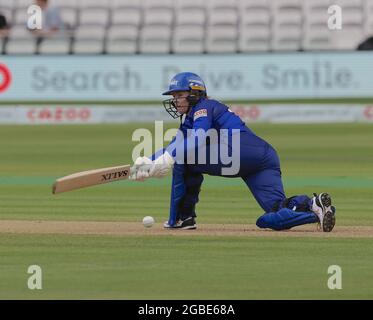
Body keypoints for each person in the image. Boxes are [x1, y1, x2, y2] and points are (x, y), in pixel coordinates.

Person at [129, 72, 336, 232]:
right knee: (271, 216)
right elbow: (177, 144)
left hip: (236, 150)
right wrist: (149, 160)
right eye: (174, 97)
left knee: (183, 160)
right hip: (263, 156)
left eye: (180, 96)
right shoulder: (192, 118)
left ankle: (182, 219)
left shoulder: (204, 107)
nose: (176, 101)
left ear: (195, 94)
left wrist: (168, 159)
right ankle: (314, 208)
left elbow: (196, 139)